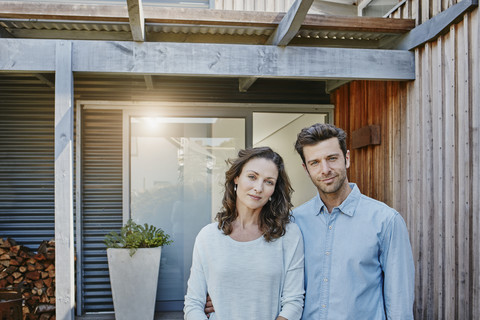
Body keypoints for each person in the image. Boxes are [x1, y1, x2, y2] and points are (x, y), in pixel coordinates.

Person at [293, 123, 415, 319]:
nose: (325, 169)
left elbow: (400, 303)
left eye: (332, 158)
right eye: (314, 162)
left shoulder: (386, 221)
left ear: (347, 158)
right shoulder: (294, 222)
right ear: (306, 169)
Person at [184, 146, 305, 320]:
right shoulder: (208, 236)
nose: (258, 187)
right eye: (252, 177)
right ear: (236, 177)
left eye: (269, 181)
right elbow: (193, 303)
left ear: (274, 190)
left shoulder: (288, 234)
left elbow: (293, 303)